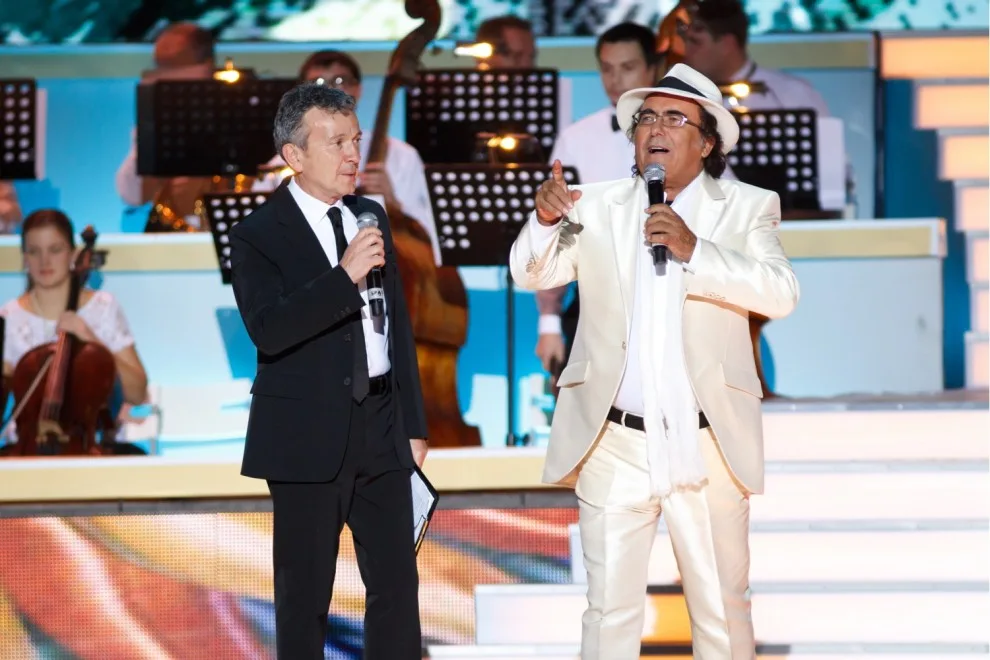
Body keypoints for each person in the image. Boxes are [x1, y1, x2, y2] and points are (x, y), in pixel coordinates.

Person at [509, 63, 799, 658]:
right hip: (615, 440)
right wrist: (543, 222)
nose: (655, 129)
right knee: (608, 612)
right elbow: (532, 273)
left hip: (706, 441)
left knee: (721, 610)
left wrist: (697, 250)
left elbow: (780, 293)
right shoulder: (597, 204)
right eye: (645, 117)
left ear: (708, 142)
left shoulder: (747, 207)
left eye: (674, 118)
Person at [229, 82, 428, 659]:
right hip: (305, 433)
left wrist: (414, 424)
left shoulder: (370, 215)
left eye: (355, 140)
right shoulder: (257, 234)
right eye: (337, 142)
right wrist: (343, 277)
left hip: (383, 427)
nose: (352, 155)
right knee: (305, 597)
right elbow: (269, 328)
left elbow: (396, 326)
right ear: (294, 155)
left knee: (397, 587)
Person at [534, 22, 662, 384]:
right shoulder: (576, 138)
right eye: (606, 69)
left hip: (672, 298)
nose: (615, 80)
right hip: (594, 303)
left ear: (653, 67)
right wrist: (548, 323)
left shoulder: (685, 130)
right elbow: (556, 230)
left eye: (628, 67)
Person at [254, 49, 441, 265]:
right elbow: (257, 231)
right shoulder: (286, 161)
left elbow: (432, 239)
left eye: (340, 81)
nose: (330, 90)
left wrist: (393, 202)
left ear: (357, 89)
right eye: (317, 83)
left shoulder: (402, 156)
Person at [0, 209, 149, 450]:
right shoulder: (9, 316)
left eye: (55, 249)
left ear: (72, 253)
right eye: (34, 251)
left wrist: (90, 339)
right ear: (25, 257)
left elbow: (137, 392)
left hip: (92, 447)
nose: (44, 261)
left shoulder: (103, 306)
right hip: (27, 449)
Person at [114, 22, 218, 228]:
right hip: (171, 236)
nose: (165, 76)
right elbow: (132, 195)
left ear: (206, 66)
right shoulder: (157, 117)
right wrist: (149, 132)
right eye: (160, 66)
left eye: (175, 65)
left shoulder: (239, 112)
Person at [680, 0, 830, 116]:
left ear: (727, 44)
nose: (685, 51)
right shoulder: (681, 98)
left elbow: (828, 146)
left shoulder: (793, 95)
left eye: (695, 42)